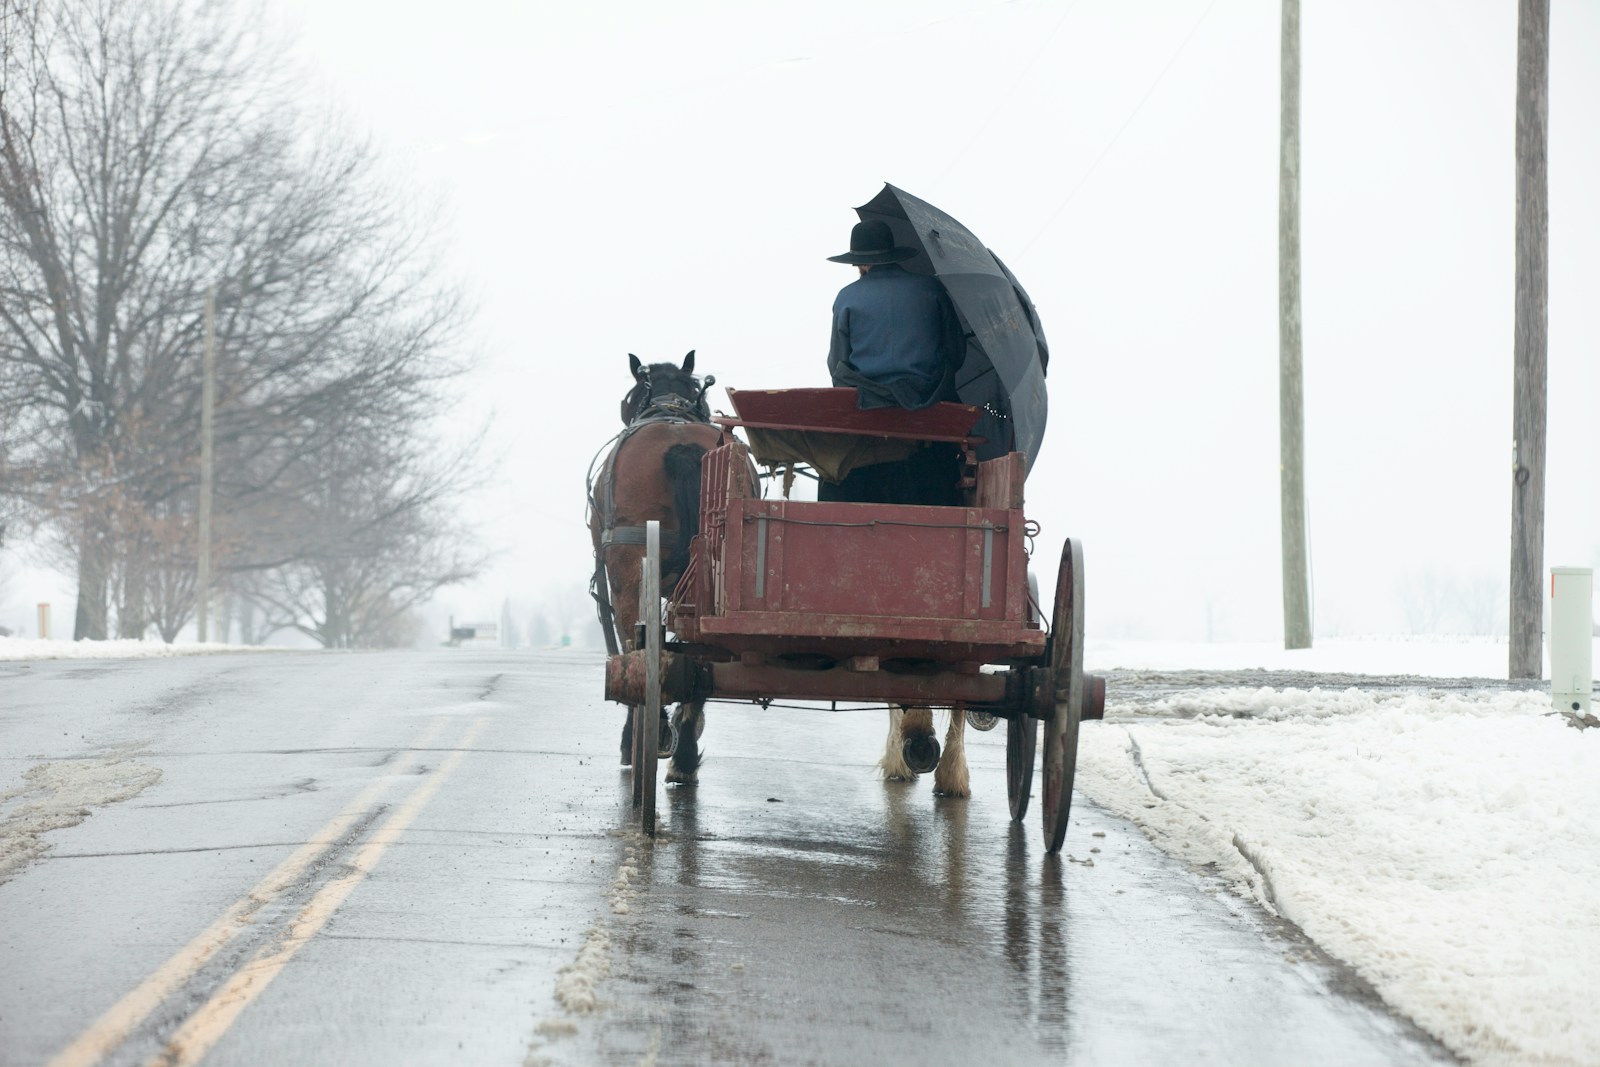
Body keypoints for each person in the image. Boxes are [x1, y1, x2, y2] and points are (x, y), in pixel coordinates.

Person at [821, 219, 965, 505]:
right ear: (891, 254)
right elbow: (956, 354)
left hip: (867, 408)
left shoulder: (847, 298)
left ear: (861, 264)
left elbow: (838, 365)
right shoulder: (932, 289)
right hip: (930, 406)